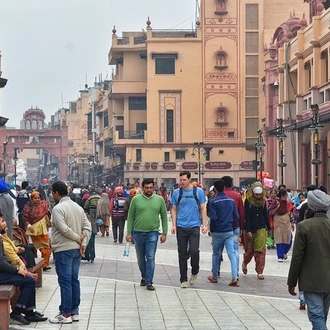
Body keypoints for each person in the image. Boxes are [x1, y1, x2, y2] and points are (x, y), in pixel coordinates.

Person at [49, 181, 92, 324]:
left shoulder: (58, 208)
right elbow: (88, 227)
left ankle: (65, 313)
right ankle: (74, 312)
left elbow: (63, 229)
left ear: (56, 192)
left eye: (52, 193)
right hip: (76, 250)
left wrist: (78, 239)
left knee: (65, 281)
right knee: (74, 280)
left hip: (63, 249)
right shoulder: (78, 207)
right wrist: (83, 243)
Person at [288, 189, 330, 330]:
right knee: (322, 316)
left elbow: (297, 257)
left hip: (310, 280)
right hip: (328, 280)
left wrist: (291, 282)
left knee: (317, 316)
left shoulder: (304, 226)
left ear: (311, 206)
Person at [0, 217, 47, 325]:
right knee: (29, 280)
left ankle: (29, 312)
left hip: (3, 271)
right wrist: (18, 270)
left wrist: (22, 271)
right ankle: (17, 312)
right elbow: (1, 262)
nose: (5, 223)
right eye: (2, 221)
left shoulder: (2, 237)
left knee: (29, 278)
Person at [126, 178, 168, 291]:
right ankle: (144, 276)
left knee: (150, 257)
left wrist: (165, 232)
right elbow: (130, 217)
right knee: (140, 258)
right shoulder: (136, 200)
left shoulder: (159, 200)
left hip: (153, 233)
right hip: (138, 232)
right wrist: (128, 232)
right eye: (146, 187)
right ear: (142, 188)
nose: (149, 189)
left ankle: (149, 281)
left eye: (151, 187)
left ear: (154, 187)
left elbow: (164, 216)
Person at [170, 171, 207, 288]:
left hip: (194, 226)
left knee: (194, 251)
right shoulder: (176, 193)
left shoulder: (198, 192)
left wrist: (204, 224)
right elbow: (174, 209)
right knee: (182, 253)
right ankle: (183, 279)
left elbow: (203, 208)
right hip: (181, 226)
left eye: (184, 180)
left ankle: (195, 271)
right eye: (180, 180)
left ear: (190, 179)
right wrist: (173, 225)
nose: (182, 182)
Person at [207, 179, 239, 286]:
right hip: (229, 230)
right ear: (224, 188)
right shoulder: (231, 201)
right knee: (232, 254)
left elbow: (214, 218)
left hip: (218, 231)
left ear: (215, 189)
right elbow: (236, 217)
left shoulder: (213, 202)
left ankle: (214, 276)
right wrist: (233, 227)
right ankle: (235, 277)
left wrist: (212, 229)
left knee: (216, 254)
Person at [242, 182, 270, 280]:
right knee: (249, 251)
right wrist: (248, 231)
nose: (258, 196)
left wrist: (269, 228)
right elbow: (247, 216)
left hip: (261, 227)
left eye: (260, 194)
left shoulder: (263, 201)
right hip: (249, 228)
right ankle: (245, 263)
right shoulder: (248, 201)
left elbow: (265, 215)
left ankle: (259, 271)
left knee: (260, 250)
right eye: (256, 194)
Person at [22, 190, 52, 271]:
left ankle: (45, 264)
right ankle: (35, 264)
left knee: (45, 247)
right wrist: (29, 225)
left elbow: (47, 214)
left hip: (43, 229)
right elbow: (24, 217)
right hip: (33, 230)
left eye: (38, 198)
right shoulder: (28, 206)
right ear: (31, 198)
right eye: (35, 198)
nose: (37, 199)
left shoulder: (44, 205)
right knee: (35, 247)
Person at [222, 176, 244, 279]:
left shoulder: (219, 196)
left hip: (221, 227)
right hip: (235, 226)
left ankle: (216, 272)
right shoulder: (237, 196)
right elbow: (241, 213)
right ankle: (236, 273)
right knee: (235, 250)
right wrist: (241, 226)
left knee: (218, 251)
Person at [268, 190, 293, 262]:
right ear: (282, 196)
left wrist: (292, 222)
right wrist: (277, 207)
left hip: (286, 224)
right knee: (279, 239)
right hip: (278, 223)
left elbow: (291, 213)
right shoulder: (275, 203)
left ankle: (284, 252)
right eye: (285, 195)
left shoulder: (288, 204)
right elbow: (270, 213)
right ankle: (280, 256)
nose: (286, 197)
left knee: (289, 239)